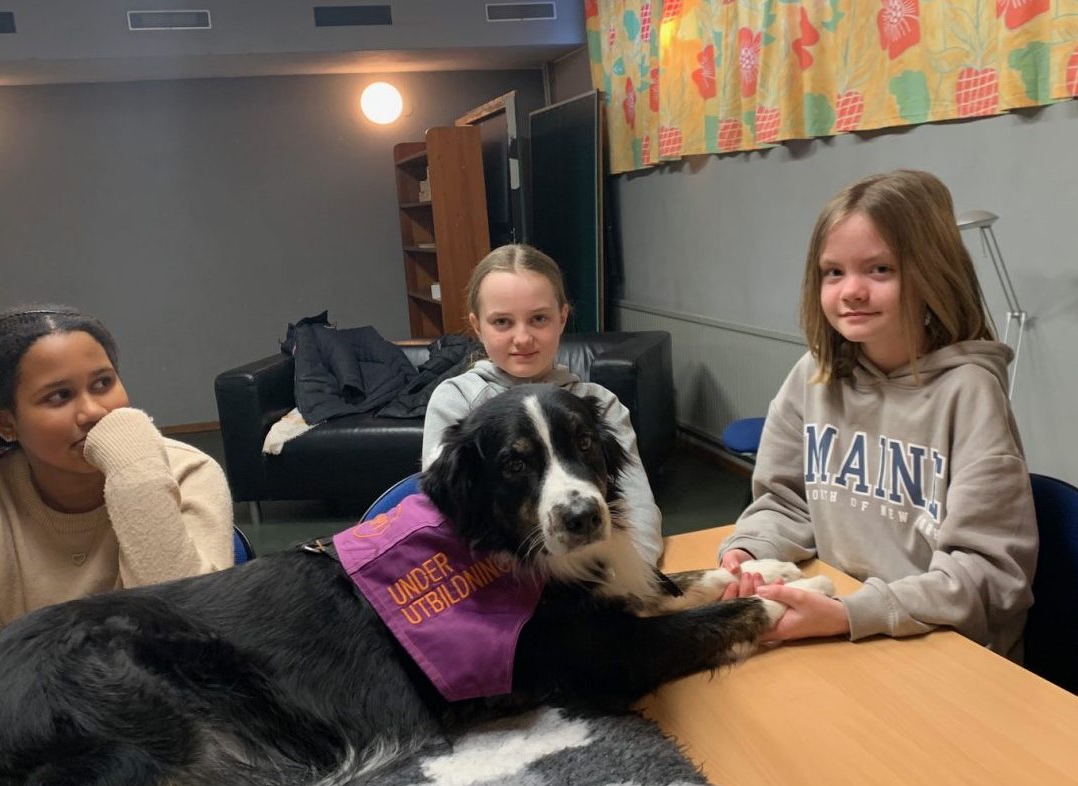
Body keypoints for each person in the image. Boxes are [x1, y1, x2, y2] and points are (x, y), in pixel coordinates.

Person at [0, 306, 236, 712]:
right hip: (44, 727)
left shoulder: (187, 472)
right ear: (4, 422)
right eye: (59, 396)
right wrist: (79, 658)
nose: (93, 412)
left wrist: (136, 478)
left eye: (103, 383)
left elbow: (191, 647)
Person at [717, 170, 1037, 655]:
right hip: (846, 623)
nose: (852, 290)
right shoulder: (813, 375)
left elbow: (987, 576)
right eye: (834, 272)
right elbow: (784, 501)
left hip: (941, 647)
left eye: (880, 269)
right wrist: (748, 550)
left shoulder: (969, 392)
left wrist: (850, 614)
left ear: (931, 273)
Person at [421, 244, 665, 565]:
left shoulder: (601, 403)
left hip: (603, 578)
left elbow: (637, 507)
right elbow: (445, 521)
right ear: (477, 326)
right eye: (502, 322)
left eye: (539, 318)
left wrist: (634, 574)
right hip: (499, 584)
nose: (523, 338)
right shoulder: (456, 399)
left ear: (562, 318)